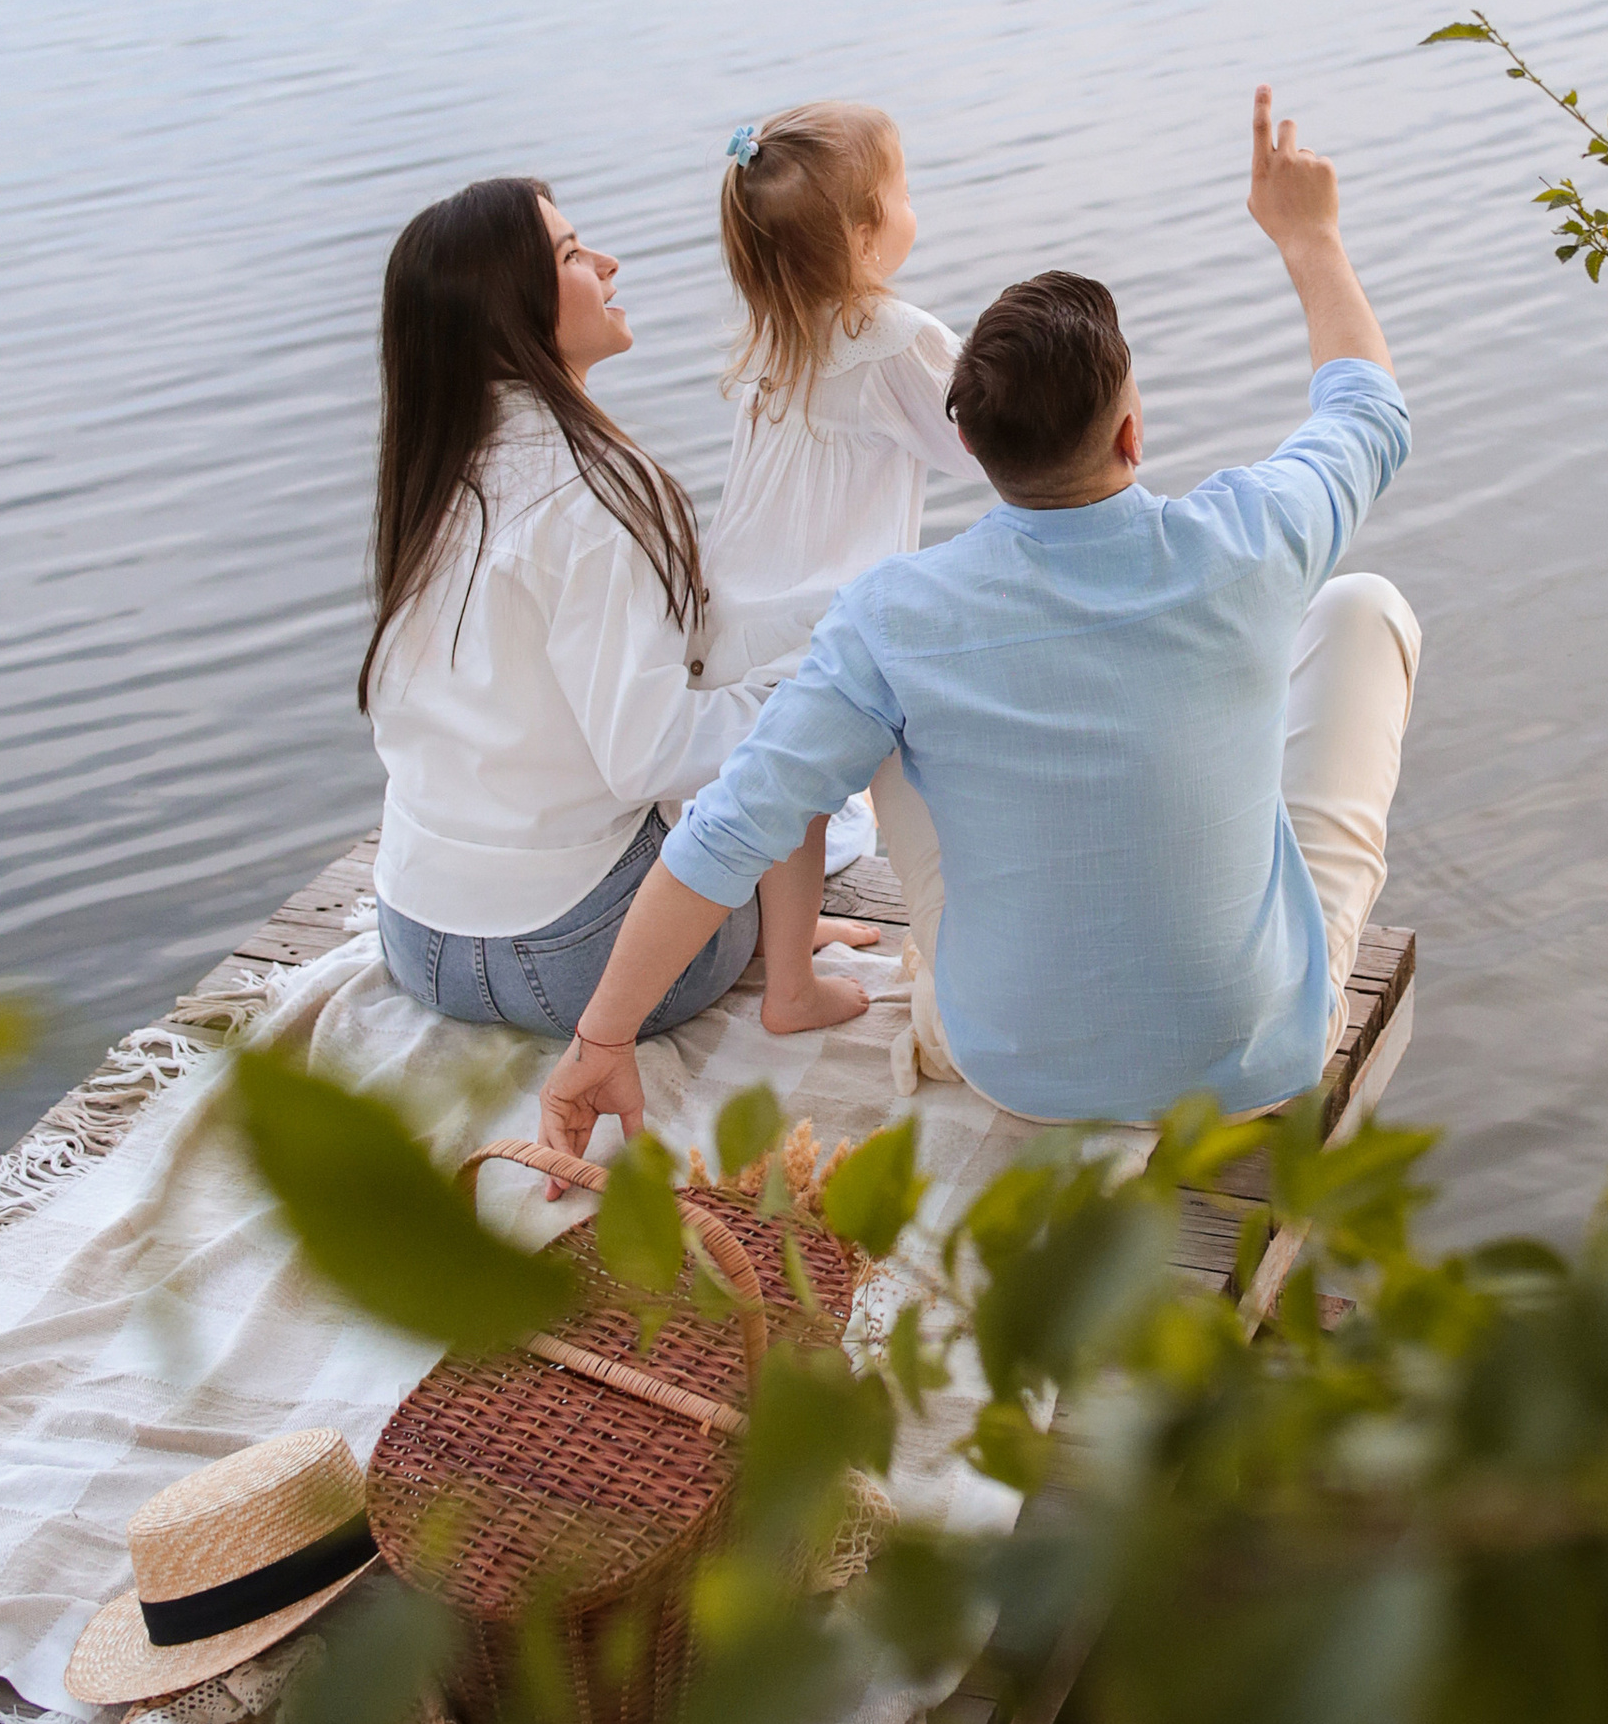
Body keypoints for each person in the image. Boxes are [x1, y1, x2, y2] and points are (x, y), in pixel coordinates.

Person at [539, 88, 1419, 1152]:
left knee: (876, 718)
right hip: (1254, 1062)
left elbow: (729, 831)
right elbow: (1367, 409)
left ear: (974, 447)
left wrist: (601, 1040)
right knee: (1361, 609)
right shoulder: (1245, 538)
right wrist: (1309, 235)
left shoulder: (891, 615)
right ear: (1131, 434)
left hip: (1011, 1064)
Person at [362, 176, 860, 1048]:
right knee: (799, 708)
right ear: (508, 308)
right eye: (570, 254)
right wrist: (806, 692)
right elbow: (653, 754)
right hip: (572, 961)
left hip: (416, 935)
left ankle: (756, 922)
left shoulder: (434, 473)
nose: (607, 262)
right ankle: (780, 957)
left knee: (762, 682)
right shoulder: (594, 492)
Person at [700, 102, 978, 1036]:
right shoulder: (893, 336)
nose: (911, 204)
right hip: (820, 618)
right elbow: (986, 440)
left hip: (738, 611)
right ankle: (792, 989)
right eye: (901, 190)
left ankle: (790, 935)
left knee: (793, 801)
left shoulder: (773, 334)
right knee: (840, 780)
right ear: (864, 233)